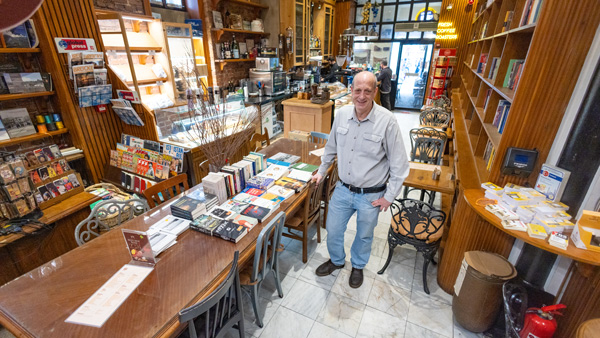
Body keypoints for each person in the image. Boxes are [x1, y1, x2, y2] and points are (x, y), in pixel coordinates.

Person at [312, 71, 410, 288]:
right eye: (358, 90)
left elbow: (400, 165)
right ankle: (337, 261)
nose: (362, 96)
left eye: (367, 91)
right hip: (343, 189)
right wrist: (321, 171)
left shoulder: (387, 121)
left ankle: (357, 266)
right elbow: (330, 148)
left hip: (372, 195)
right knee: (334, 229)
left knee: (364, 236)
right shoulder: (341, 115)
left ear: (375, 91)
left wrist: (389, 197)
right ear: (351, 90)